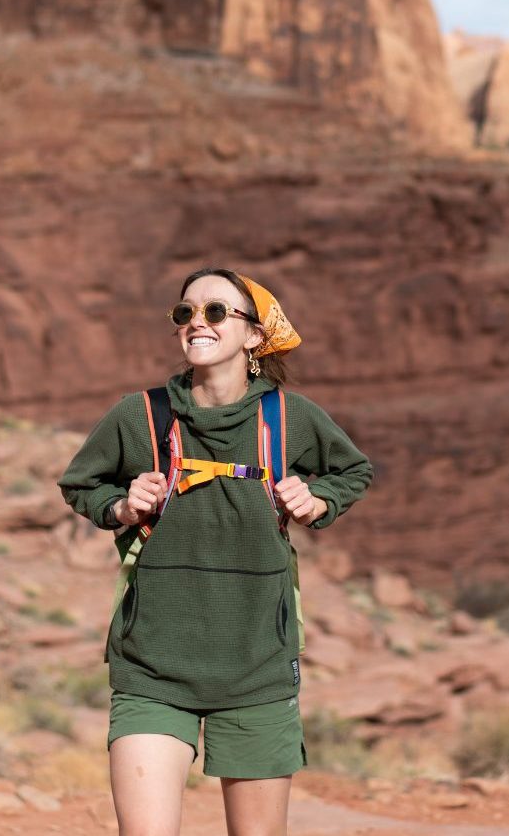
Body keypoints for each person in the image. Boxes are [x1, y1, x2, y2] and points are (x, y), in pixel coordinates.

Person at [58, 267, 374, 836]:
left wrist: (317, 498)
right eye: (185, 312)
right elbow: (81, 484)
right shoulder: (141, 415)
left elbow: (353, 470)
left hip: (257, 668)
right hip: (153, 667)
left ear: (255, 335)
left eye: (216, 311)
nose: (196, 322)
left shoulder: (289, 417)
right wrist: (123, 507)